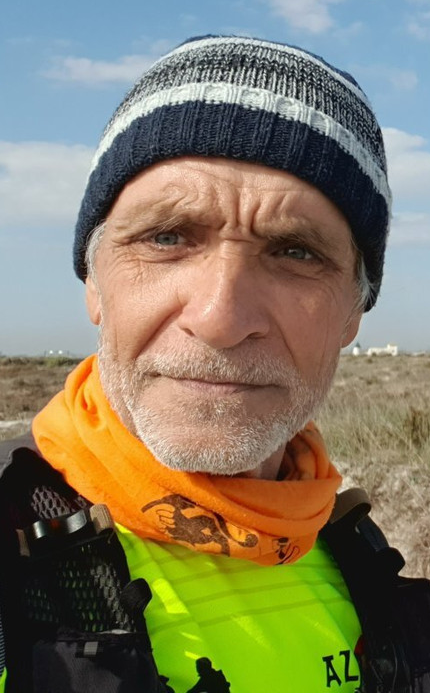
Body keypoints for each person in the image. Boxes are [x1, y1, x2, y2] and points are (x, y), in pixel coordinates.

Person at [0, 35, 397, 691]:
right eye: (166, 237)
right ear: (94, 284)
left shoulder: (357, 554)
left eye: (295, 252)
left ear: (354, 312)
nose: (219, 316)